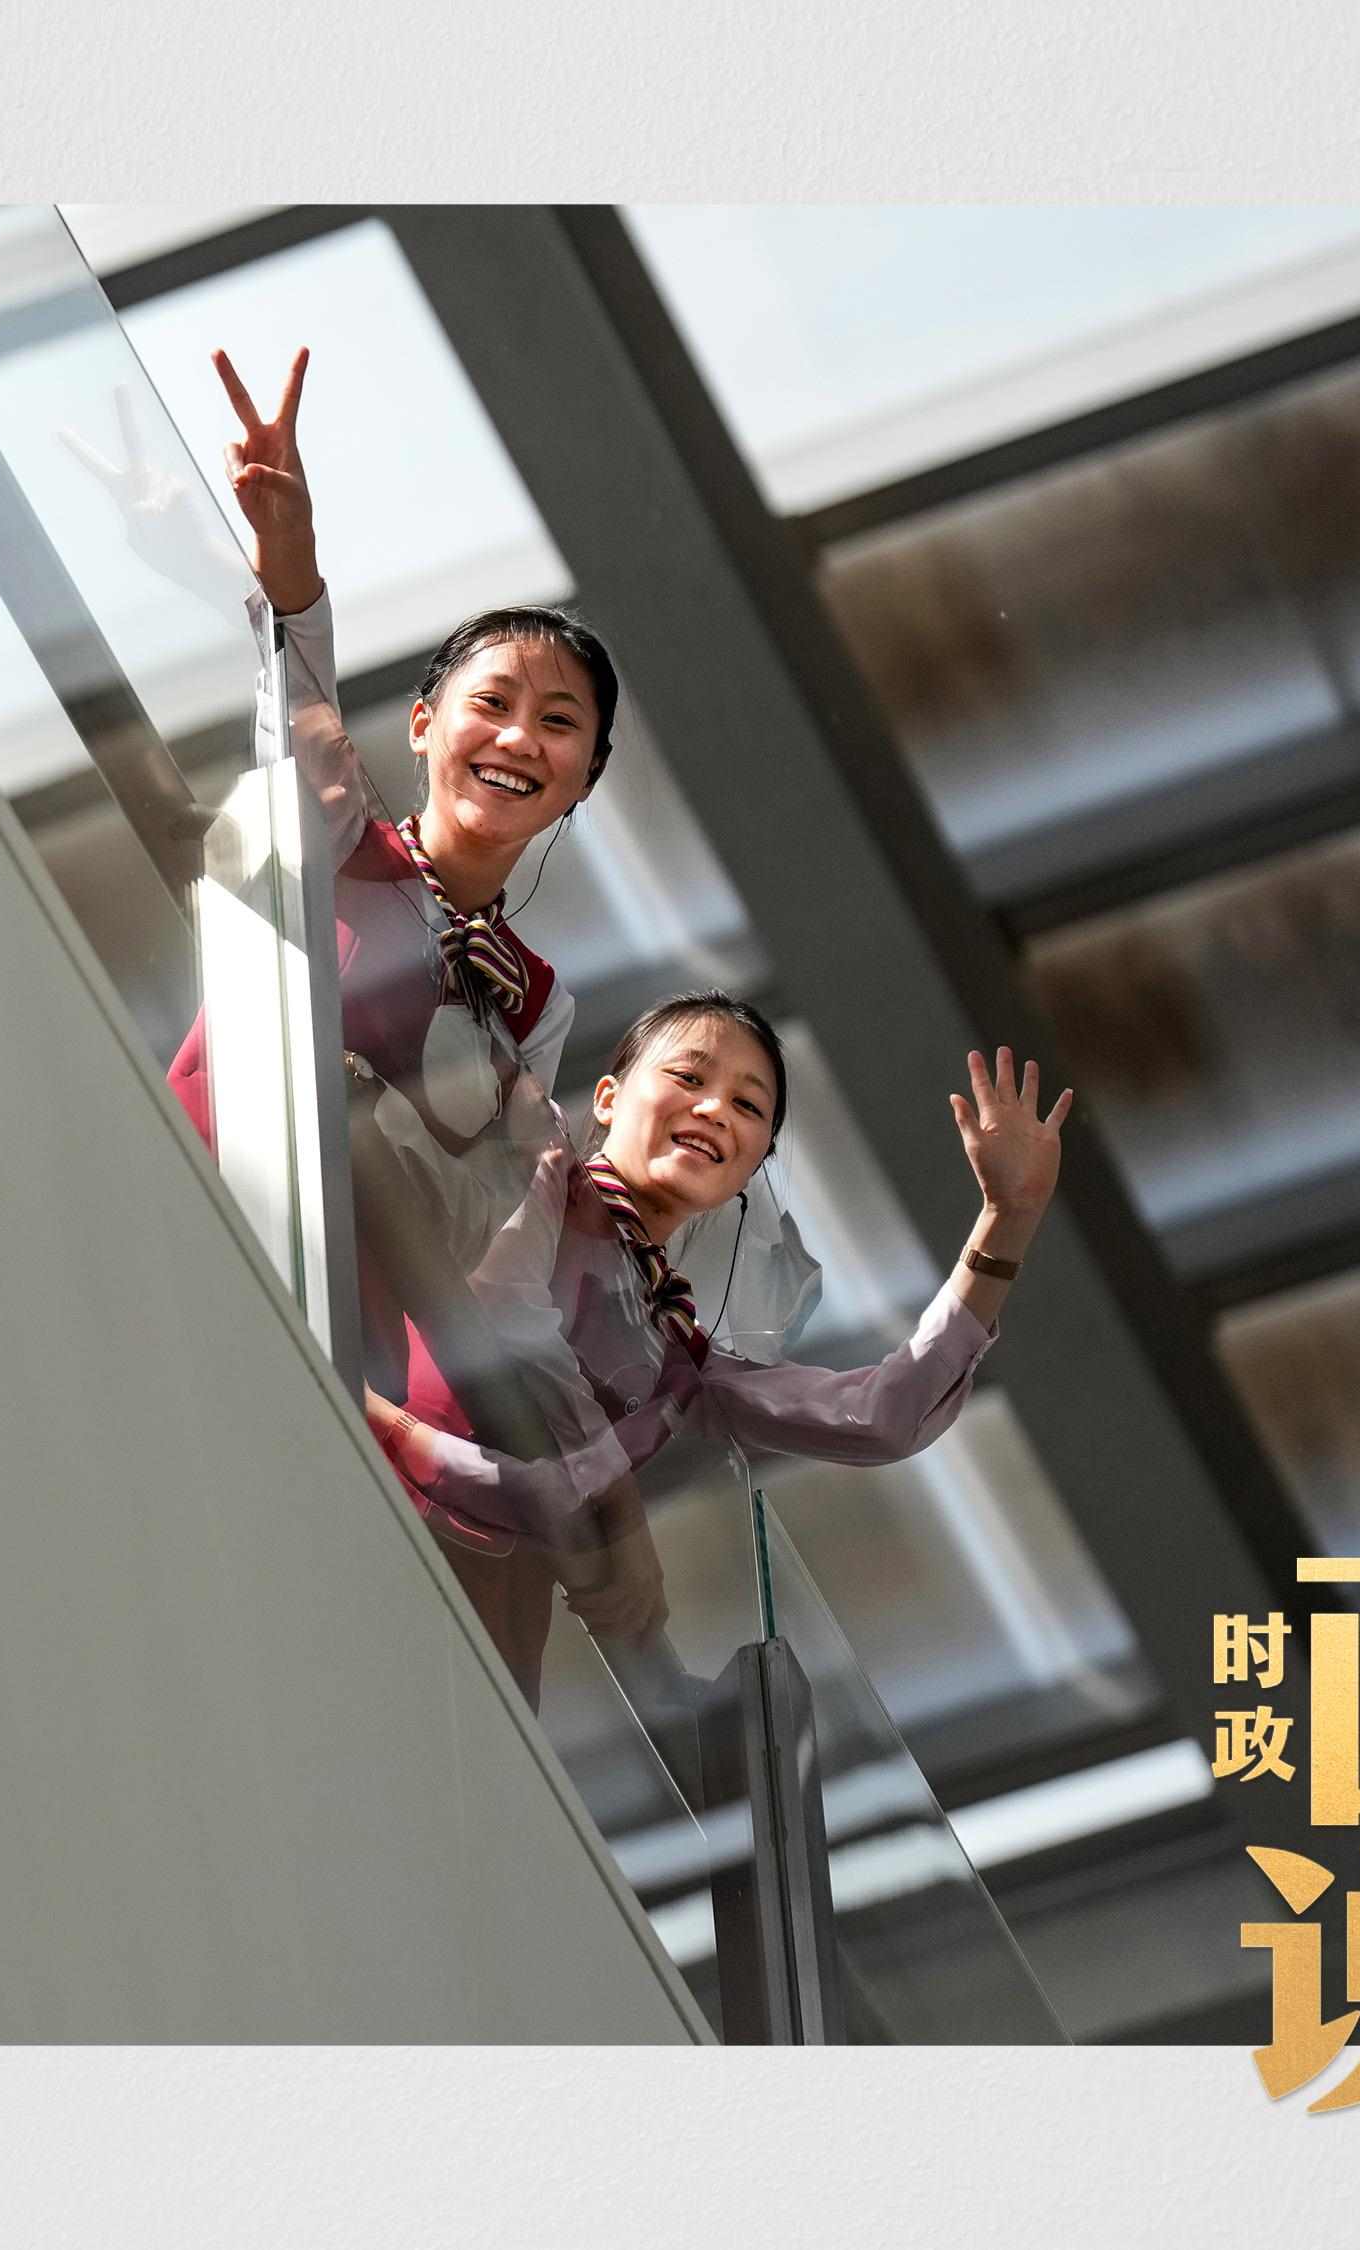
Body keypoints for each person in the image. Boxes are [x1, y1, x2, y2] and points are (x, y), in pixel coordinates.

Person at [356, 993, 1075, 1696]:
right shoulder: (533, 1171)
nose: (714, 1110)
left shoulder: (676, 1358)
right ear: (607, 1099)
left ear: (750, 1169)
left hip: (490, 1619)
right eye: (688, 1076)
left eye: (748, 1106)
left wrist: (1005, 1222)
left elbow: (882, 1417)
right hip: (369, 1503)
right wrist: (614, 1498)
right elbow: (503, 1309)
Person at [160, 349, 621, 1166]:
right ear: (421, 724)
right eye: (491, 704)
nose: (519, 739)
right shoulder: (335, 841)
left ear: (588, 776)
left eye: (557, 722)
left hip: (343, 1252)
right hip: (194, 1178)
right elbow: (299, 697)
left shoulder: (536, 1003)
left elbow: (497, 1200)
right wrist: (290, 548)